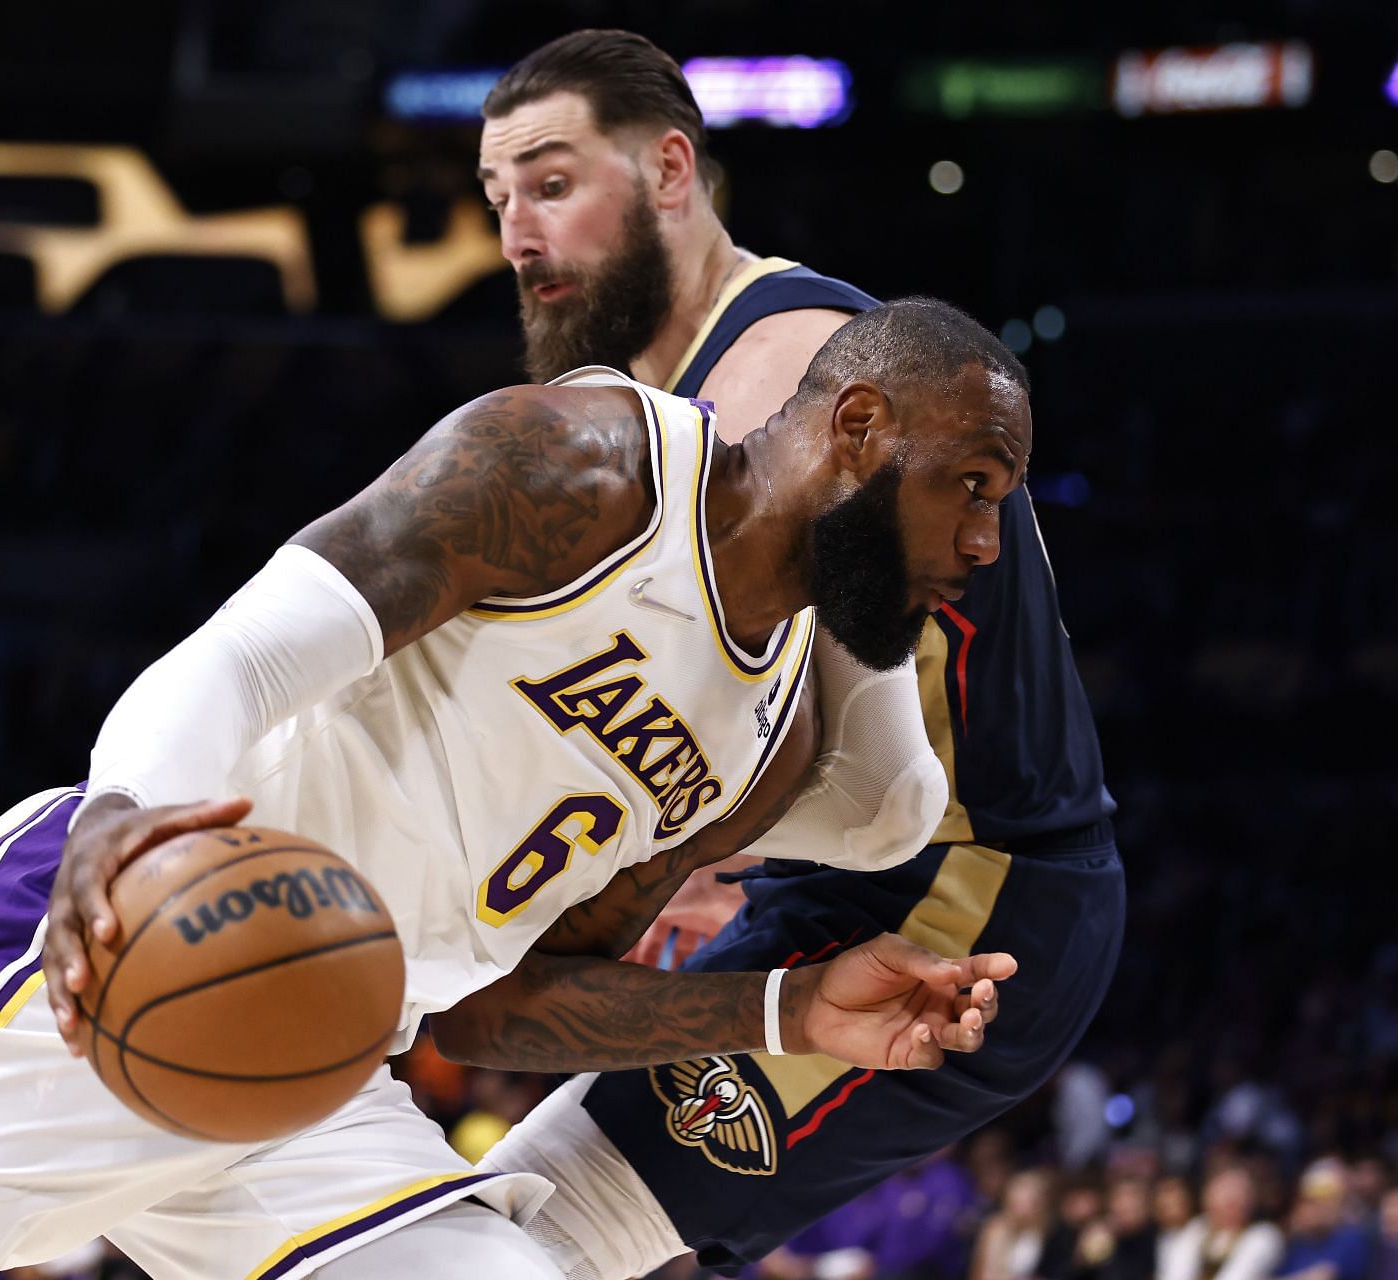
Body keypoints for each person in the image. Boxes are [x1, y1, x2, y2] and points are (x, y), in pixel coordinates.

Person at [0, 296, 1027, 1280]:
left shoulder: (770, 739)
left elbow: (504, 1009)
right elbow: (241, 662)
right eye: (970, 487)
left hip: (319, 1060)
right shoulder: (590, 469)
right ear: (856, 426)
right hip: (116, 949)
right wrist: (120, 827)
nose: (981, 543)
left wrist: (783, 1008)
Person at [435, 30, 1125, 1277]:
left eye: (549, 183)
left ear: (668, 172)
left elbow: (758, 726)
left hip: (965, 889)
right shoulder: (716, 368)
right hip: (852, 873)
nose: (517, 235)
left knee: (539, 1235)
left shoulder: (770, 376)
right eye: (496, 200)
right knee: (526, 1228)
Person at [1156, 1165, 1283, 1280]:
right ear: (1208, 1195)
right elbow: (1175, 1274)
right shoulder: (1196, 1229)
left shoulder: (1263, 1235)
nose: (1233, 1199)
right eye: (1225, 1191)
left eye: (1241, 1192)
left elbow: (1240, 1275)